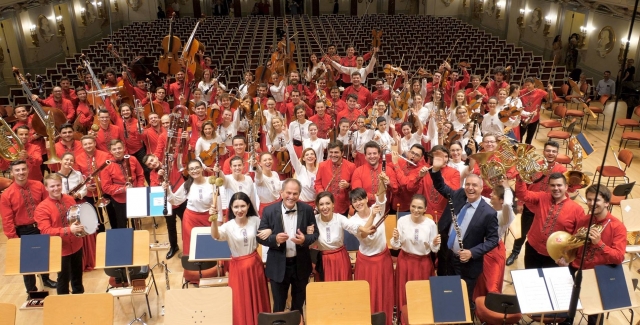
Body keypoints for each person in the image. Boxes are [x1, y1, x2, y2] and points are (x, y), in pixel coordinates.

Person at [429, 153, 499, 304]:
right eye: (467, 184)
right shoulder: (459, 195)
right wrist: (435, 170)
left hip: (466, 265)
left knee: (461, 301)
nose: (470, 188)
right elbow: (441, 186)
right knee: (442, 294)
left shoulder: (489, 213)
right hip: (446, 257)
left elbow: (494, 240)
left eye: (474, 185)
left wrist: (472, 252)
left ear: (481, 188)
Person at [557, 185, 627, 325]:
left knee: (594, 320)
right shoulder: (584, 220)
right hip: (576, 270)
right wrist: (566, 258)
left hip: (597, 277)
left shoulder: (617, 227)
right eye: (589, 200)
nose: (591, 203)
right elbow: (575, 245)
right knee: (565, 313)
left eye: (596, 200)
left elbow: (619, 257)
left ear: (607, 202)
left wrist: (599, 244)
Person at [257, 179, 319, 314]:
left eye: (295, 194)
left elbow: (315, 234)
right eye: (288, 193)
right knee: (278, 306)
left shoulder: (307, 210)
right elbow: (260, 236)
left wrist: (304, 240)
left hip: (301, 265)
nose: (291, 197)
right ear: (281, 192)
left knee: (298, 307)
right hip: (278, 266)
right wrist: (276, 239)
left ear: (299, 194)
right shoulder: (269, 211)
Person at [210, 192, 271, 325]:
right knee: (240, 300)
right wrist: (213, 220)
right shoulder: (228, 226)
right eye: (236, 207)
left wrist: (270, 231)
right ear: (231, 208)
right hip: (238, 268)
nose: (239, 210)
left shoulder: (255, 220)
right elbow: (215, 235)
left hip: (255, 265)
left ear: (248, 206)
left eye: (243, 206)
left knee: (258, 297)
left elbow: (266, 232)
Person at [506, 140, 568, 266]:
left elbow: (567, 189)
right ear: (543, 152)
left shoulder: (562, 169)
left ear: (557, 154)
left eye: (554, 151)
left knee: (544, 233)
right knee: (522, 232)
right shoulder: (534, 165)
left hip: (548, 209)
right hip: (530, 206)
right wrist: (520, 203)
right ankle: (515, 252)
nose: (550, 153)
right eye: (548, 150)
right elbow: (525, 183)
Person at [0, 160, 58, 293]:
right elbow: (7, 220)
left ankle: (46, 279)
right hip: (23, 231)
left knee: (44, 255)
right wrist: (13, 239)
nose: (21, 172)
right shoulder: (6, 195)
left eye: (23, 169)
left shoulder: (38, 185)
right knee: (27, 263)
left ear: (28, 170)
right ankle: (31, 290)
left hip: (41, 226)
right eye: (17, 170)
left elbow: (48, 205)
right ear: (12, 173)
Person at [515, 172, 586, 269]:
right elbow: (523, 195)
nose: (556, 188)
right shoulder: (542, 197)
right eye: (552, 185)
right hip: (532, 249)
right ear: (549, 187)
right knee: (531, 279)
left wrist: (568, 257)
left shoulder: (577, 210)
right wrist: (520, 178)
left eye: (559, 185)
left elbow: (579, 238)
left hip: (555, 256)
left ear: (566, 187)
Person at [346, 187, 393, 325]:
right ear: (352, 204)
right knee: (367, 295)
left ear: (367, 199)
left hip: (383, 258)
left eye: (360, 199)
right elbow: (363, 235)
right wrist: (372, 216)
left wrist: (382, 179)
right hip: (365, 262)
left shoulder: (377, 208)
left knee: (385, 293)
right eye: (355, 201)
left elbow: (381, 193)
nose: (358, 203)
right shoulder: (352, 222)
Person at [391, 194, 440, 319]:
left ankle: (421, 318)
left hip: (423, 263)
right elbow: (396, 246)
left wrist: (435, 244)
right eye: (413, 206)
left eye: (419, 207)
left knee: (421, 294)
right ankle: (403, 319)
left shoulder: (431, 224)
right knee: (404, 292)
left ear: (425, 209)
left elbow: (434, 249)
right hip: (405, 261)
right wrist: (395, 238)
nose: (416, 210)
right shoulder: (402, 220)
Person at [34, 174, 85, 295]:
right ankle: (63, 307)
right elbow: (46, 231)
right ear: (46, 188)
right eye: (52, 186)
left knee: (78, 277)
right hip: (61, 249)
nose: (56, 188)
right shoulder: (42, 208)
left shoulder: (70, 199)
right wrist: (68, 230)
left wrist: (87, 226)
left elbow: (76, 219)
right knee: (63, 280)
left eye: (58, 185)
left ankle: (80, 301)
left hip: (77, 245)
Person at [472, 179, 514, 301]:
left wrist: (506, 188)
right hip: (480, 247)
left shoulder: (505, 215)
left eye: (494, 194)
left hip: (493, 251)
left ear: (501, 199)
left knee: (491, 285)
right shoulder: (489, 205)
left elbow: (507, 204)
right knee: (477, 281)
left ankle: (491, 314)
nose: (490, 195)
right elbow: (478, 196)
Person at [142, 153, 186, 259]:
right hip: (168, 204)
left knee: (186, 224)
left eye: (152, 160)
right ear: (148, 167)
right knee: (170, 227)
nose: (152, 163)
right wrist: (159, 177)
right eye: (149, 164)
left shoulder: (169, 163)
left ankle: (189, 246)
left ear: (156, 157)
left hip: (181, 199)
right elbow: (154, 187)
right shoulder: (153, 174)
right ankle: (174, 247)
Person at [164, 160, 212, 255]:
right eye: (191, 169)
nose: (195, 171)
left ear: (202, 168)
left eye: (197, 167)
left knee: (209, 245)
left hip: (208, 218)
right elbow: (175, 200)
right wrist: (168, 191)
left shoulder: (211, 181)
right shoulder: (186, 185)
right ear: (189, 172)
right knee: (193, 247)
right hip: (191, 220)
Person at [100, 139, 145, 228]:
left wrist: (139, 188)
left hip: (135, 196)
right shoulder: (106, 166)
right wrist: (123, 189)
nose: (117, 151)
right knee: (122, 224)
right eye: (114, 149)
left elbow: (140, 175)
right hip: (120, 199)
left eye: (119, 148)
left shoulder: (132, 159)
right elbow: (106, 187)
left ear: (124, 148)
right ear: (110, 151)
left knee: (137, 223)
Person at [310, 191, 352, 281]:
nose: (325, 207)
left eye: (328, 203)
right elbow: (308, 242)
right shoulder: (314, 220)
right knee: (326, 290)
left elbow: (353, 227)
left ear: (333, 204)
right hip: (323, 259)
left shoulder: (340, 218)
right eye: (321, 204)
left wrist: (364, 229)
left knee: (342, 288)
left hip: (340, 258)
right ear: (317, 206)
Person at [314, 141, 356, 215]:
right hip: (325, 206)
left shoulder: (351, 166)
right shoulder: (322, 165)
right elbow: (317, 183)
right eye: (331, 152)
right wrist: (322, 193)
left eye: (336, 152)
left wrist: (348, 185)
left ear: (342, 153)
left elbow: (355, 186)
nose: (333, 155)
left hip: (342, 206)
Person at [351, 141, 397, 207]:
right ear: (365, 156)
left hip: (385, 210)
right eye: (369, 154)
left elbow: (396, 190)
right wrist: (375, 197)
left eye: (375, 153)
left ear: (379, 155)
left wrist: (389, 183)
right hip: (365, 211)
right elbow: (358, 194)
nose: (372, 156)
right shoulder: (358, 171)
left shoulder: (389, 170)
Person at [390, 144, 427, 212]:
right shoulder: (400, 161)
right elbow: (387, 168)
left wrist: (395, 164)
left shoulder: (419, 170)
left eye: (417, 155)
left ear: (421, 158)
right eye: (412, 153)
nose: (413, 156)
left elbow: (405, 183)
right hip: (392, 202)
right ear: (408, 152)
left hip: (406, 207)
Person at [519, 77, 554, 144]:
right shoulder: (522, 92)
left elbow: (550, 100)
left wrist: (550, 91)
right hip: (523, 118)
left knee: (529, 137)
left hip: (534, 118)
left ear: (533, 84)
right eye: (526, 85)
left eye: (529, 85)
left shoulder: (540, 92)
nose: (527, 87)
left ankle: (526, 151)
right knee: (520, 136)